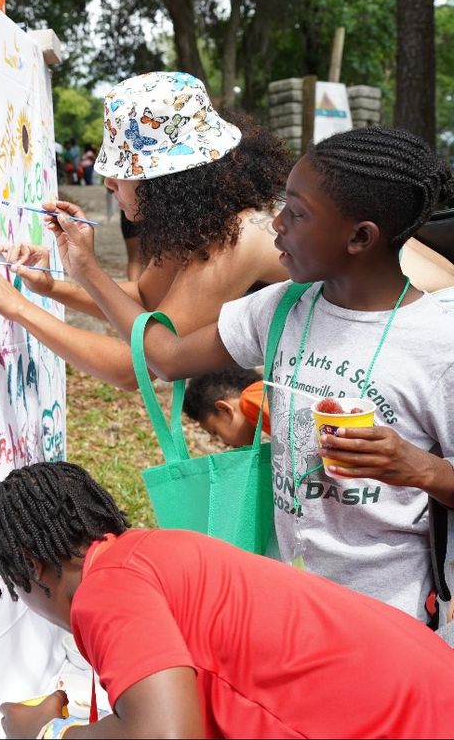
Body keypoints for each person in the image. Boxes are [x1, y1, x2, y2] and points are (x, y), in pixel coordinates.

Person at [43, 126, 454, 623]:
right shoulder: (279, 308)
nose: (275, 223)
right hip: (293, 594)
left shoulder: (438, 343)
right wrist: (79, 269)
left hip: (390, 614)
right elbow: (167, 355)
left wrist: (420, 469)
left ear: (360, 236)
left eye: (297, 213)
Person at [0, 71, 454, 391]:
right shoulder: (202, 221)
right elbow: (144, 299)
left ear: (170, 181)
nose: (108, 181)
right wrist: (52, 283)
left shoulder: (239, 233)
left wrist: (16, 305)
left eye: (123, 170)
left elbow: (141, 364)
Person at [0, 462, 454, 739]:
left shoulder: (106, 588)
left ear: (32, 567)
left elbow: (166, 735)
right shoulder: (152, 550)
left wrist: (48, 732)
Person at [183, 365, 268, 448]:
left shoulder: (260, 404)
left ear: (226, 409)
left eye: (215, 432)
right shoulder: (267, 395)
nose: (224, 443)